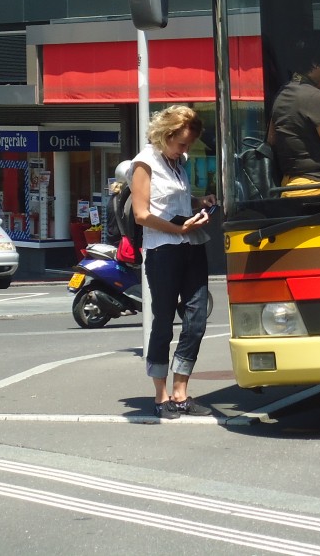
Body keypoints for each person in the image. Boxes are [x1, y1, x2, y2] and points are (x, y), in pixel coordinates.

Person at [129, 105, 215, 420]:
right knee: (163, 322)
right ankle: (161, 394)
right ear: (166, 134)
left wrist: (199, 202)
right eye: (181, 143)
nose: (185, 149)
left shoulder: (179, 162)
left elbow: (177, 200)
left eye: (188, 144)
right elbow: (142, 214)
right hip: (163, 248)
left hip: (192, 245)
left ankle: (181, 392)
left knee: (197, 320)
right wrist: (179, 228)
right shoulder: (144, 163)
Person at [269, 29, 320, 197]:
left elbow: (272, 139)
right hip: (319, 191)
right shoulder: (316, 97)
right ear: (315, 62)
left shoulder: (283, 93)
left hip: (290, 188)